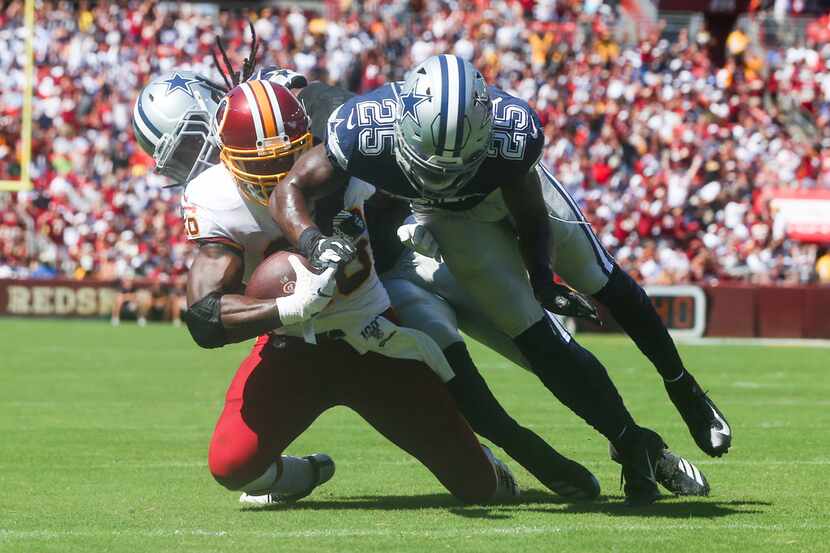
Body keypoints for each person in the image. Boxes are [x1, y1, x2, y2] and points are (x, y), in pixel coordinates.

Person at [271, 55, 709, 506]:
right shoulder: (306, 164)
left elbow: (313, 95)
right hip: (390, 284)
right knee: (461, 380)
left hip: (446, 246)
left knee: (546, 348)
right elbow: (287, 196)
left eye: (286, 131)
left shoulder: (349, 120)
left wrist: (542, 276)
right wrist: (311, 243)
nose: (277, 150)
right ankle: (534, 454)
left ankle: (643, 448)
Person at [136, 72, 521, 505]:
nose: (274, 173)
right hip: (291, 348)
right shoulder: (214, 196)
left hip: (373, 338)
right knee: (232, 466)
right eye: (258, 164)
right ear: (230, 159)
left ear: (307, 141)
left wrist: (418, 219)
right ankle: (305, 473)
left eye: (285, 159)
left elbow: (410, 181)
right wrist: (287, 310)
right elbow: (204, 320)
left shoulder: (340, 157)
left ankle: (478, 460)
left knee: (481, 489)